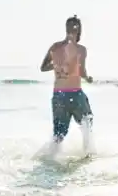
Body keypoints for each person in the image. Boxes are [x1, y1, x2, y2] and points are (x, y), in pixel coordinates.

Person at [39, 15, 94, 154]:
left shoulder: (55, 47)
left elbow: (43, 67)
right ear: (79, 30)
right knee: (87, 124)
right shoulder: (81, 49)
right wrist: (88, 78)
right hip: (75, 94)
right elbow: (81, 71)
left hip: (59, 95)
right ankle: (88, 154)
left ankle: (50, 158)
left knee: (59, 134)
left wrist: (57, 65)